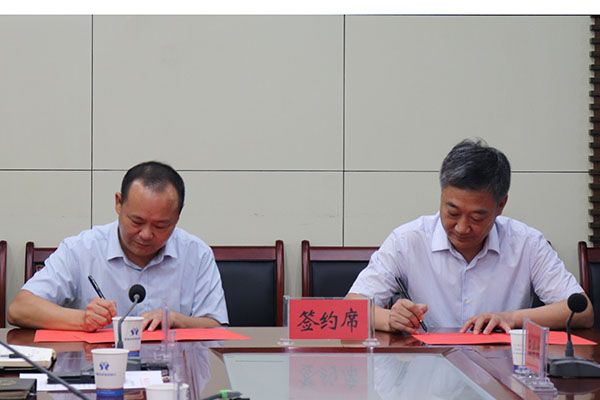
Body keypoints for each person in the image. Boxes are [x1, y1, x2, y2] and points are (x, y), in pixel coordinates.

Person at [347, 138, 594, 334]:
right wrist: (391, 318)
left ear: (501, 205)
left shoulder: (526, 244)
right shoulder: (407, 241)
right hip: (426, 373)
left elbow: (582, 312)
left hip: (501, 375)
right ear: (442, 195)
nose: (462, 228)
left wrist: (510, 318)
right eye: (452, 212)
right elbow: (350, 309)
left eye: (477, 217)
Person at [8, 161, 228, 332]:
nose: (146, 235)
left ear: (178, 216)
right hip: (96, 369)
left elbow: (217, 327)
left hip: (172, 370)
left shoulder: (196, 254)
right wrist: (83, 319)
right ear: (118, 203)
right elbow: (19, 309)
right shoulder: (82, 249)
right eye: (137, 221)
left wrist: (176, 319)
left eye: (161, 225)